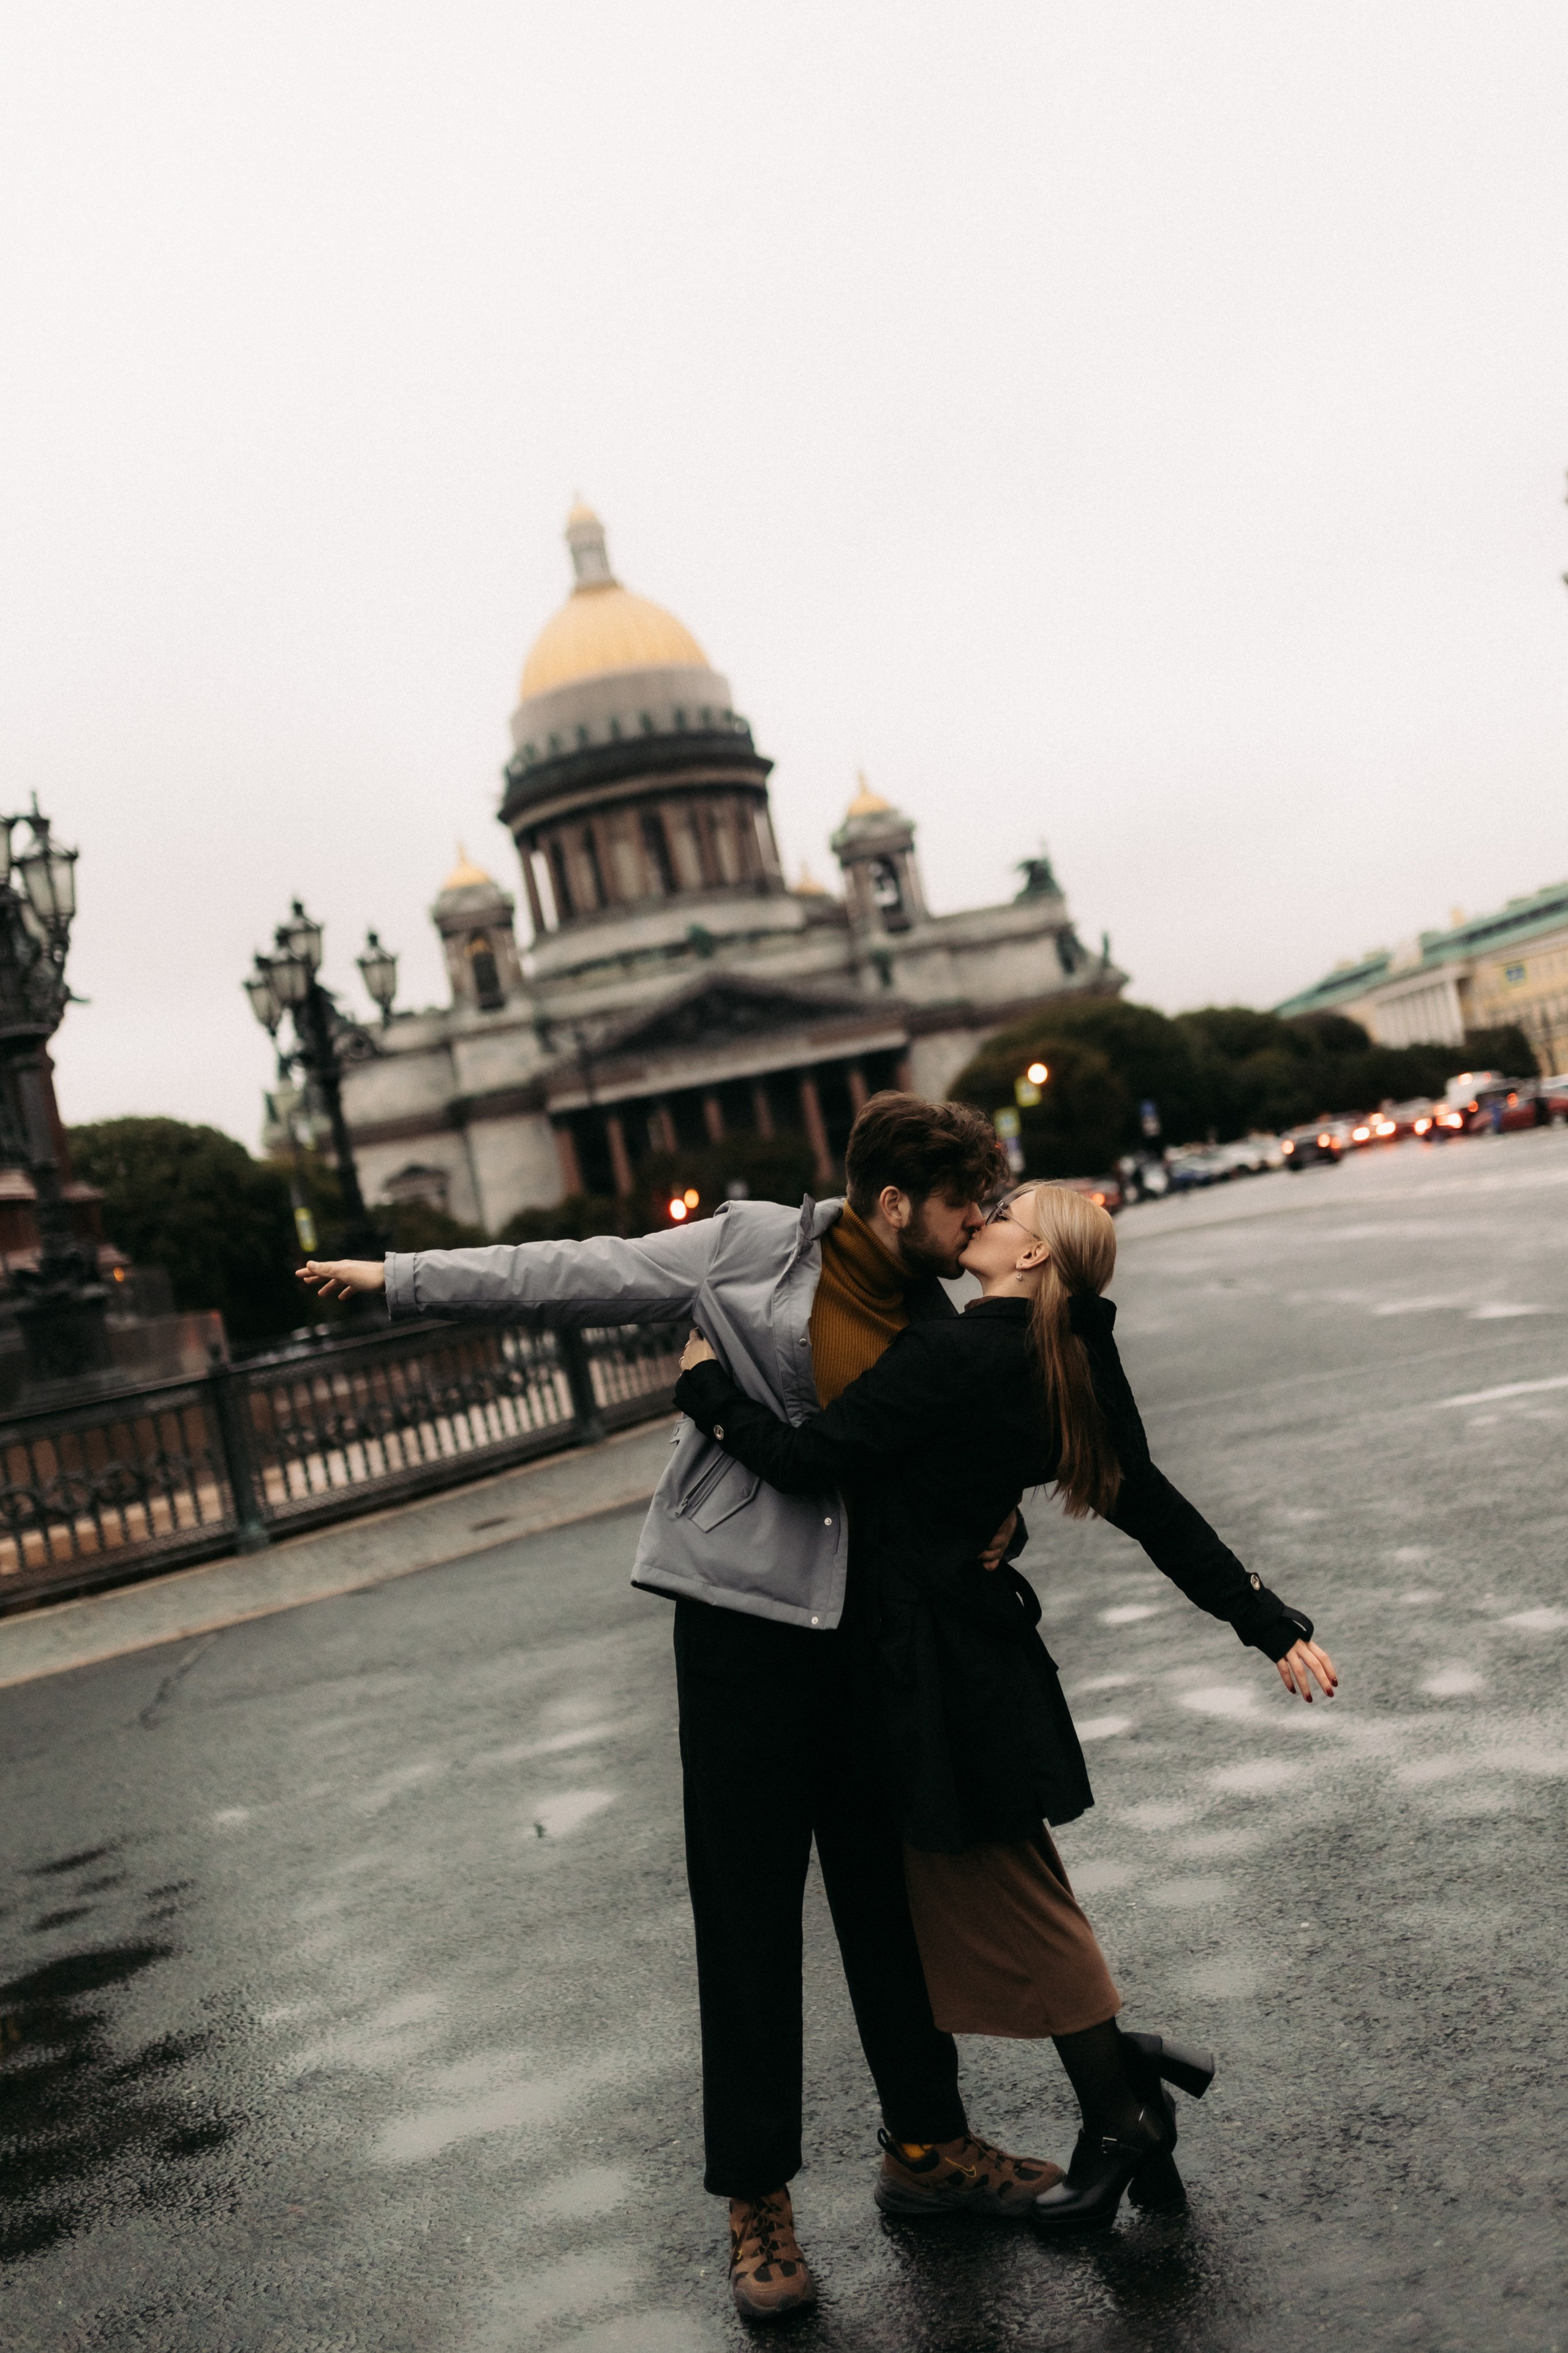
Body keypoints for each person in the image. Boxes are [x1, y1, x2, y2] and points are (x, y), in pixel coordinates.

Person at [298, 1094, 1068, 2324]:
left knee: (888, 1897)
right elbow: (569, 1271)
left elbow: (936, 1454)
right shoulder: (749, 1247)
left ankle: (927, 2147)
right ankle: (754, 2202)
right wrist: (396, 1277)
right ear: (888, 1203)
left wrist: (998, 1516)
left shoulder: (934, 1307)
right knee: (749, 1910)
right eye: (962, 1201)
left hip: (873, 1631)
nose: (980, 1222)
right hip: (743, 1626)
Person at [671, 1180, 1337, 2231]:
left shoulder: (957, 1353)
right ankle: (1123, 2073)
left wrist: (709, 1394)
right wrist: (1263, 1616)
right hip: (985, 1656)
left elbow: (813, 1461)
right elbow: (1150, 1503)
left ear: (1032, 1259)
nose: (980, 1213)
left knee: (1014, 1897)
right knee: (989, 1893)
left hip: (933, 1669)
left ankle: (1122, 2104)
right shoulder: (1070, 1357)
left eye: (1005, 1212)